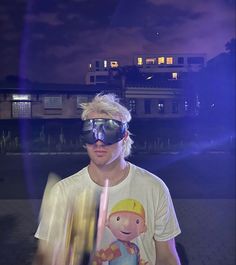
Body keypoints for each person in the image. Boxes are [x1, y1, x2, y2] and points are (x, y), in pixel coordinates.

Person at [34, 93, 181, 265]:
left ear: (124, 136)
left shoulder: (154, 188)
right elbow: (45, 257)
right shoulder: (64, 192)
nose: (98, 142)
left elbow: (167, 256)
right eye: (91, 132)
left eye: (108, 131)